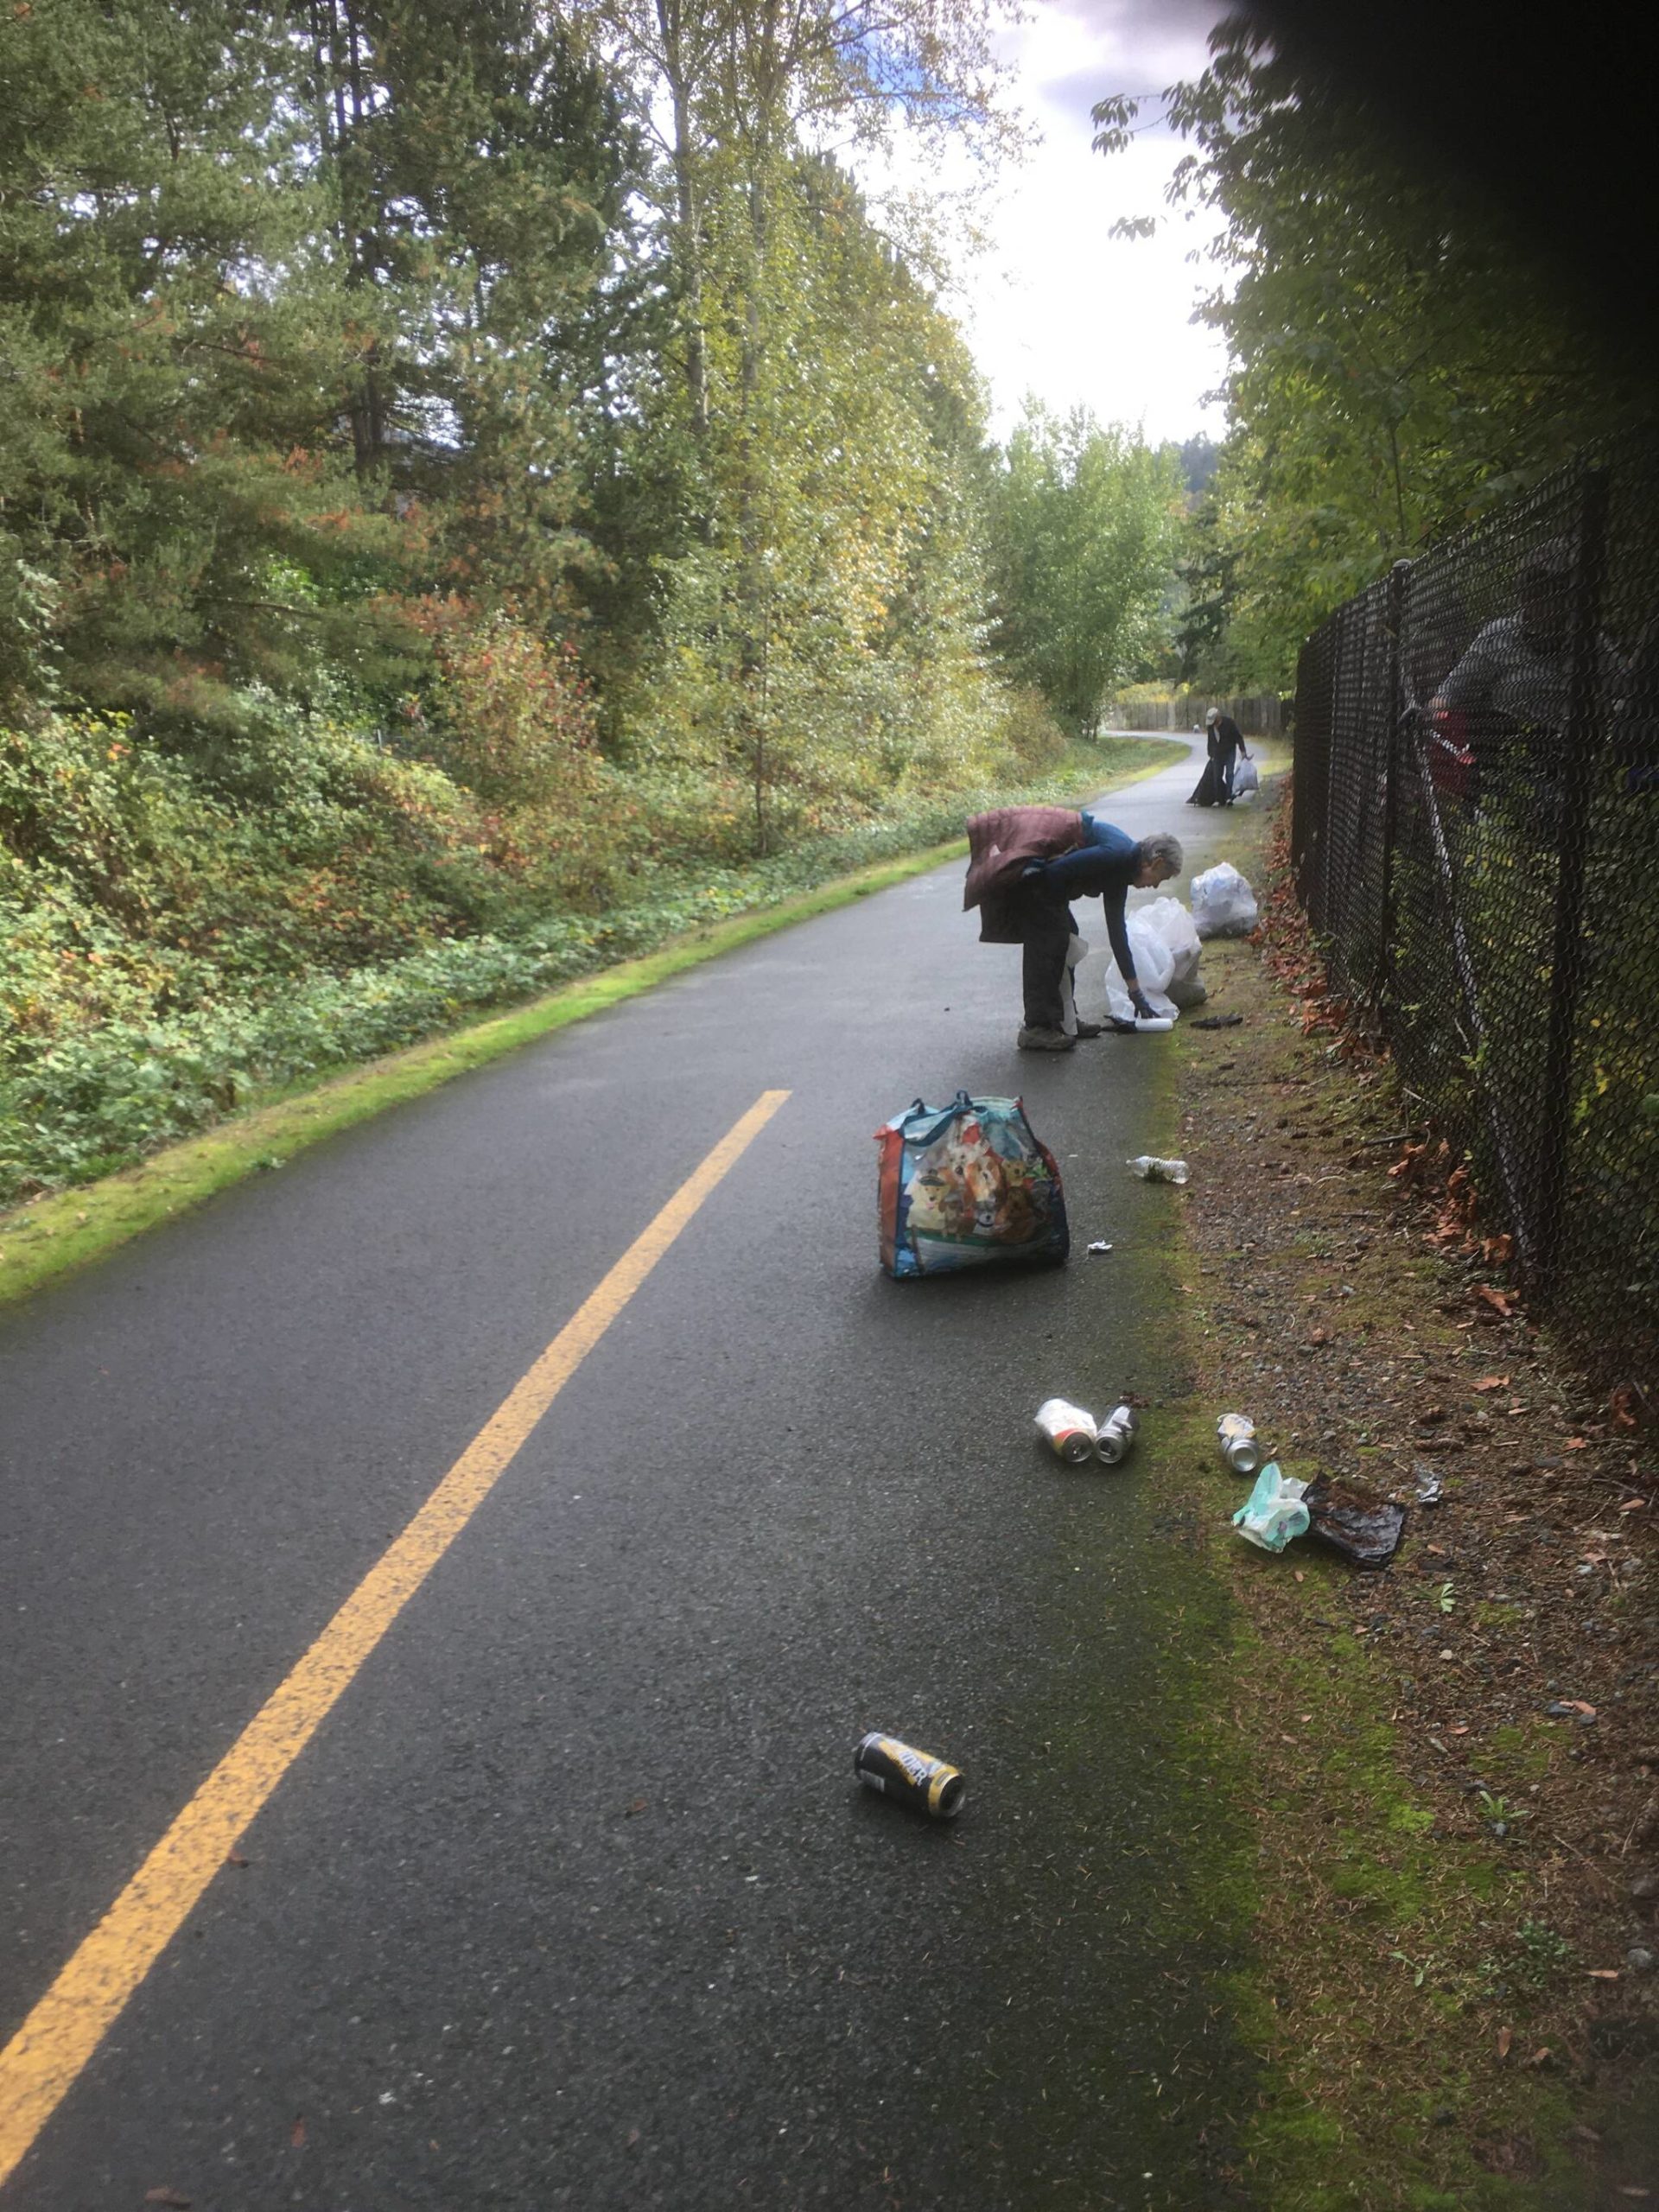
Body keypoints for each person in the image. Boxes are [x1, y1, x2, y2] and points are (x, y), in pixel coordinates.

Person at [963, 808, 1184, 1052]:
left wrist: (1136, 993)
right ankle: (1037, 1027)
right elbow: (1056, 872)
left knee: (1067, 936)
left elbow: (1117, 933)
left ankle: (1065, 1019)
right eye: (1160, 879)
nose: (1155, 887)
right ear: (1156, 862)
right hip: (1039, 879)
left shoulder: (1123, 870)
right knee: (1052, 940)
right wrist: (1054, 922)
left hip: (1047, 884)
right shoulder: (1118, 854)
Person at [1206, 706, 1250, 802]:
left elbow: (1238, 737)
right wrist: (1210, 754)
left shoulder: (1229, 723)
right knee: (1217, 776)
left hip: (1229, 752)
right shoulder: (1210, 728)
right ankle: (1219, 798)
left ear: (1218, 717)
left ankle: (1229, 797)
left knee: (1229, 774)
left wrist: (1243, 751)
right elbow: (1210, 741)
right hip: (1217, 754)